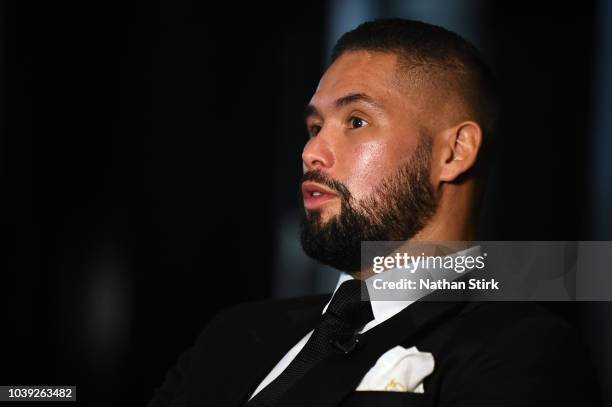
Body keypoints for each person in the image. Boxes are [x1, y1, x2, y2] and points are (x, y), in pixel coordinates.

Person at [147, 18, 600, 407]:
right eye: (314, 127)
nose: (311, 151)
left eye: (356, 121)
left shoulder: (520, 348)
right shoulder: (232, 334)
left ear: (454, 152)